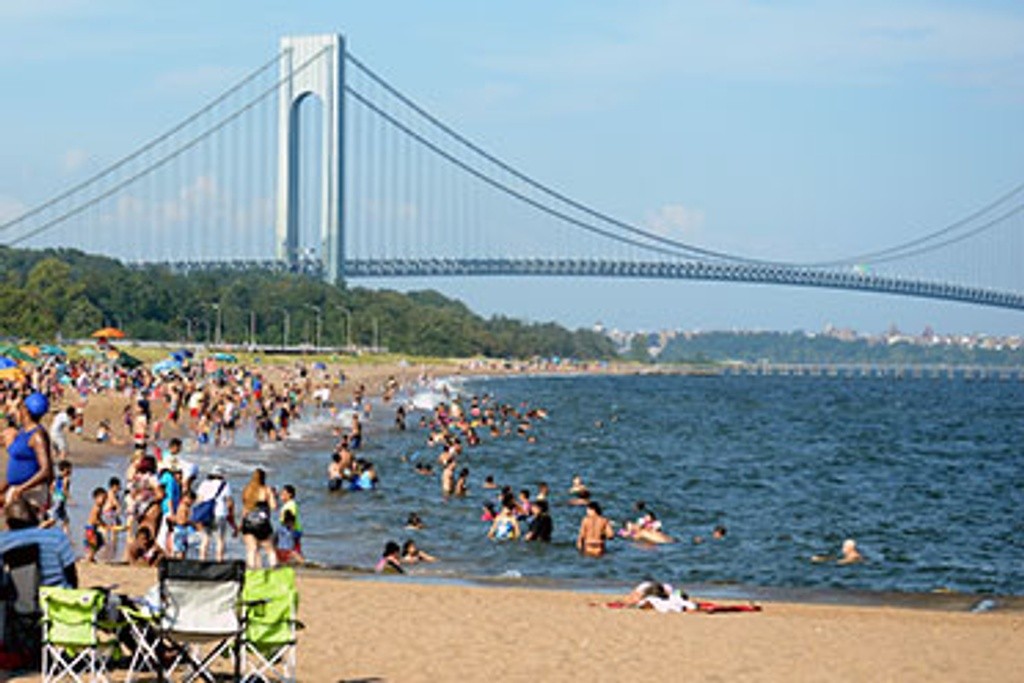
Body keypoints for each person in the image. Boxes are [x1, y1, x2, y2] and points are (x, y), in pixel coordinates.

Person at [0, 392, 55, 522]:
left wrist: (21, 488)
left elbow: (46, 470)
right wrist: (6, 486)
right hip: (17, 489)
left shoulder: (37, 436)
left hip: (31, 492)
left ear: (25, 410)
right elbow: (19, 465)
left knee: (24, 528)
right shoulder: (23, 432)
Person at [0, 499, 77, 588]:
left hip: (19, 593)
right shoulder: (57, 537)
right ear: (34, 517)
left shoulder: (3, 541)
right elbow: (70, 573)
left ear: (8, 523)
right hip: (56, 592)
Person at [195, 466, 236, 561]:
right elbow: (229, 502)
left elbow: (199, 500)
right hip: (220, 513)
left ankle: (202, 560)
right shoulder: (225, 485)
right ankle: (219, 560)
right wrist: (231, 515)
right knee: (220, 539)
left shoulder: (204, 484)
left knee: (205, 538)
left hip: (206, 514)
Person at [241, 468, 277, 568]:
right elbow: (273, 506)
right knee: (270, 550)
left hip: (248, 523)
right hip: (262, 524)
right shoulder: (266, 489)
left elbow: (245, 509)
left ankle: (252, 571)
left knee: (252, 549)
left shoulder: (247, 490)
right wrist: (273, 497)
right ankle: (273, 569)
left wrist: (240, 525)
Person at [48, 460, 73, 535]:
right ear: (65, 469)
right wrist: (71, 499)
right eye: (69, 469)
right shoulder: (66, 479)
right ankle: (39, 529)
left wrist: (53, 496)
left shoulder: (57, 478)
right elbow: (65, 489)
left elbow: (51, 488)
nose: (71, 471)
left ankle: (67, 537)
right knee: (53, 520)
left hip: (56, 500)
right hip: (60, 502)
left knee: (66, 520)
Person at [83, 487, 107, 562]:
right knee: (93, 543)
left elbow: (99, 518)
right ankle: (88, 558)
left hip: (94, 528)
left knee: (100, 542)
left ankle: (91, 557)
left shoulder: (100, 508)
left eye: (105, 499)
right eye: (102, 498)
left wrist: (103, 522)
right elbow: (94, 520)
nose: (104, 501)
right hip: (90, 528)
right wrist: (100, 523)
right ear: (95, 498)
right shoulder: (96, 508)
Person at [279, 484, 303, 555]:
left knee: (290, 550)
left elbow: (291, 518)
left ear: (290, 494)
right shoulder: (288, 504)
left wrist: (290, 531)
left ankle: (300, 560)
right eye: (281, 493)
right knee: (294, 549)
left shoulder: (291, 505)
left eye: (283, 493)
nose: (281, 495)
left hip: (292, 530)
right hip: (291, 529)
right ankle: (300, 559)